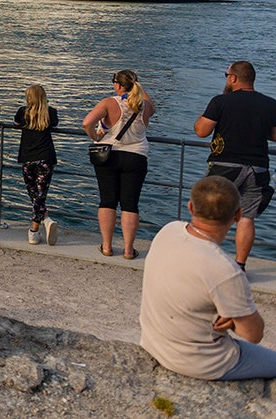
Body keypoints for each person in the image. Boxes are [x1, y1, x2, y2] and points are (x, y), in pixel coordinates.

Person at [140, 175, 276, 380]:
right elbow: (254, 334)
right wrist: (232, 320)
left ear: (191, 208)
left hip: (154, 344)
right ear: (238, 215)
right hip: (202, 363)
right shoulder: (226, 271)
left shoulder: (169, 230)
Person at [193, 61, 276, 270]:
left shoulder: (221, 101)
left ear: (234, 78)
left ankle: (204, 263)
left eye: (227, 75)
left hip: (225, 165)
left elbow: (201, 131)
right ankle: (240, 265)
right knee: (247, 218)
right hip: (258, 169)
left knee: (208, 213)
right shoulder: (269, 104)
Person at [82, 69, 154, 260]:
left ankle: (107, 246)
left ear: (118, 85)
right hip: (136, 156)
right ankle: (129, 250)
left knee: (107, 201)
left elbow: (86, 122)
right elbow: (152, 106)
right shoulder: (144, 105)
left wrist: (96, 136)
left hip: (108, 156)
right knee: (130, 204)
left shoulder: (109, 102)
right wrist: (138, 85)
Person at [14, 84, 59, 245]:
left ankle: (34, 230)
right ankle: (44, 219)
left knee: (33, 192)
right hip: (45, 158)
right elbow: (55, 124)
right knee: (41, 193)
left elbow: (16, 121)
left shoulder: (23, 113)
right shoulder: (51, 113)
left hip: (28, 158)